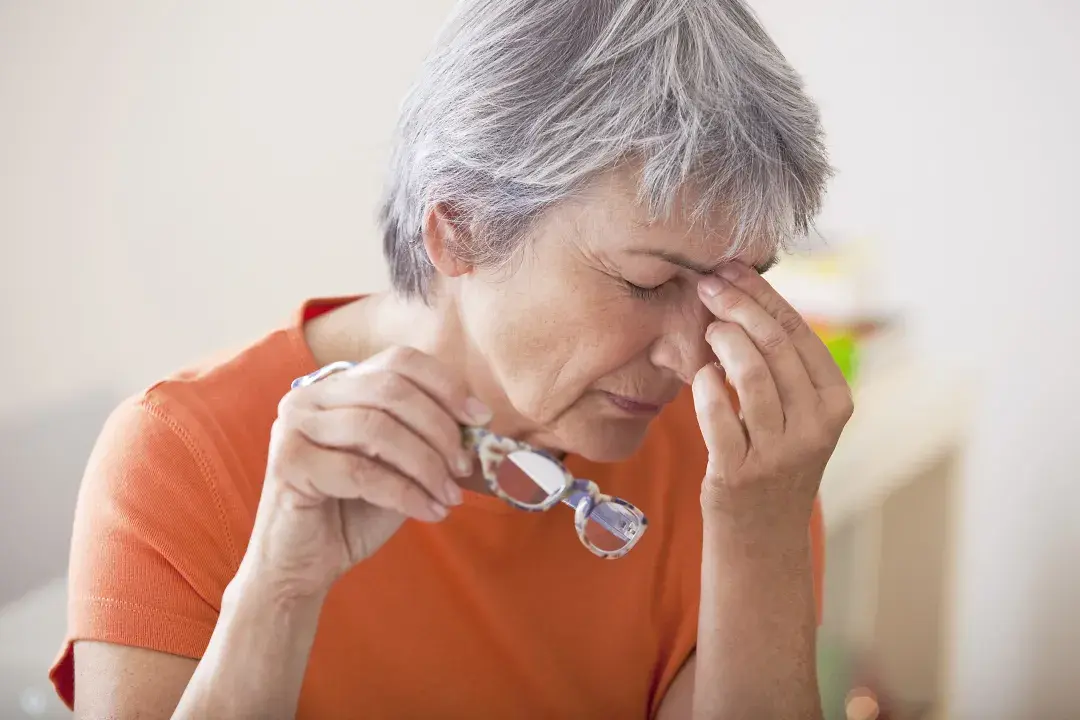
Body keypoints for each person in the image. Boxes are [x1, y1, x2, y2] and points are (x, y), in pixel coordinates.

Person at [51, 0, 852, 718]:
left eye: (733, 287)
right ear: (459, 229)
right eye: (646, 283)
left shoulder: (743, 467)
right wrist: (278, 595)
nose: (688, 357)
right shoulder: (182, 457)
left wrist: (761, 531)